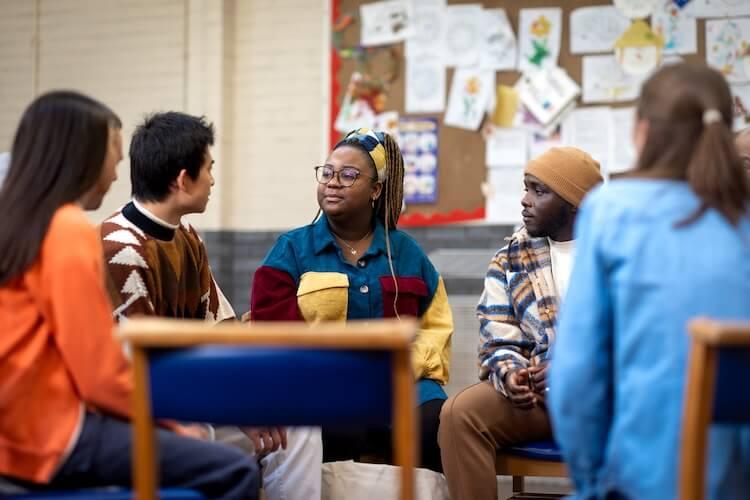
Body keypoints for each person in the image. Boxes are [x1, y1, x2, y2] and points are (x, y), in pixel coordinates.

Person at [0, 91, 258, 499]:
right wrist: (170, 424)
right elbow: (100, 374)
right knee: (234, 470)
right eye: (113, 160)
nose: (117, 176)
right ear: (80, 157)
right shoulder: (70, 231)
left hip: (17, 428)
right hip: (45, 436)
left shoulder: (18, 223)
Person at [549, 63, 750, 499]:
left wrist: (590, 483)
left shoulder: (612, 211)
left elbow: (576, 378)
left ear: (642, 131)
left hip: (642, 480)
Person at [99, 111, 297, 498]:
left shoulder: (188, 236)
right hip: (149, 410)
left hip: (194, 396)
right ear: (182, 179)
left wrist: (254, 395)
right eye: (208, 168)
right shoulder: (117, 247)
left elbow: (221, 328)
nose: (212, 179)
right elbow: (144, 365)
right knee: (213, 437)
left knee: (297, 422)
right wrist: (234, 405)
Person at [249, 128, 454, 494]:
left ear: (375, 190)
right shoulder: (291, 251)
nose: (332, 183)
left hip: (402, 384)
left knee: (433, 423)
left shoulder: (407, 254)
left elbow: (437, 328)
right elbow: (273, 333)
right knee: (336, 424)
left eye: (347, 175)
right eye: (327, 173)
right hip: (323, 385)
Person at [438, 147, 603, 500]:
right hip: (538, 399)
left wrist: (572, 369)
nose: (525, 200)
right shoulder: (511, 257)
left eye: (538, 191)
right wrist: (511, 374)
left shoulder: (613, 253)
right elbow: (497, 335)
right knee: (459, 414)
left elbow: (633, 343)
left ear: (574, 203)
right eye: (525, 188)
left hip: (606, 396)